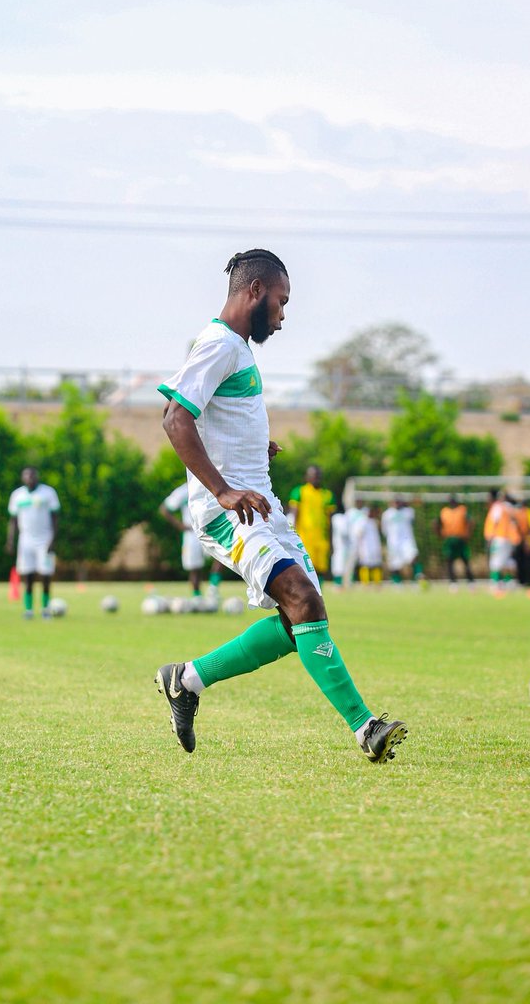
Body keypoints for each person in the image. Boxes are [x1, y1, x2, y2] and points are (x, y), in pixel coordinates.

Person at [154, 248, 407, 763]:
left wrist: (253, 447)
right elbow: (174, 418)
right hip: (228, 513)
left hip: (260, 505)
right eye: (281, 301)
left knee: (301, 621)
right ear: (255, 291)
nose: (283, 315)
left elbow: (212, 418)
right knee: (301, 598)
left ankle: (187, 679)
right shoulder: (219, 344)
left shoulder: (239, 350)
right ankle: (366, 729)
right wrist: (223, 490)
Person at [6, 466, 60, 619]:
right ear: (23, 478)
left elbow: (56, 517)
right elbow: (13, 520)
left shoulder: (48, 493)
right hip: (25, 540)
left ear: (37, 476)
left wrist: (53, 539)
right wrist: (10, 540)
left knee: (45, 575)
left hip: (45, 539)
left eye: (32, 475)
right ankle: (28, 610)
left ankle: (45, 609)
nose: (30, 478)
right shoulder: (17, 495)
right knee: (27, 575)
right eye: (27, 475)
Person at [159, 482, 207, 601]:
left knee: (223, 558)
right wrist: (180, 525)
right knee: (194, 566)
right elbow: (164, 508)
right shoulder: (184, 490)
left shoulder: (210, 484)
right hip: (192, 534)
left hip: (210, 530)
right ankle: (197, 596)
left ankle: (213, 588)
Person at [287, 465, 335, 582]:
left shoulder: (327, 495)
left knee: (321, 569)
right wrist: (293, 536)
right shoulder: (299, 492)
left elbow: (330, 519)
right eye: (313, 476)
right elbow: (294, 515)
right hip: (304, 537)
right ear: (307, 477)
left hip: (321, 538)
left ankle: (318, 595)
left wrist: (331, 539)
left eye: (318, 476)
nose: (316, 478)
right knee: (306, 567)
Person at [436, 494, 474, 589]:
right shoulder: (444, 511)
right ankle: (453, 582)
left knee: (465, 560)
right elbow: (436, 523)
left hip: (461, 539)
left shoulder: (462, 510)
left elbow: (470, 522)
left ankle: (471, 582)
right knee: (449, 561)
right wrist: (440, 534)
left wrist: (468, 534)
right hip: (449, 539)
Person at [381, 497, 422, 584]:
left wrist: (408, 503)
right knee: (394, 563)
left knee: (413, 557)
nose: (397, 504)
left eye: (399, 502)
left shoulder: (408, 512)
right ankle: (397, 582)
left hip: (406, 540)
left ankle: (419, 577)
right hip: (393, 542)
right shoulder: (387, 514)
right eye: (395, 502)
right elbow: (384, 529)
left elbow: (413, 519)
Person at [356, 505, 384, 585]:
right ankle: (365, 583)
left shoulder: (374, 522)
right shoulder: (362, 521)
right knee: (365, 564)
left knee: (376, 564)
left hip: (375, 547)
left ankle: (377, 582)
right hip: (366, 547)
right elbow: (359, 534)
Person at [330, 505, 349, 587]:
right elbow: (344, 532)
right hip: (341, 545)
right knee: (339, 563)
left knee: (338, 563)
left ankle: (338, 583)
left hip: (338, 544)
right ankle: (339, 583)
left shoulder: (335, 518)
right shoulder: (342, 518)